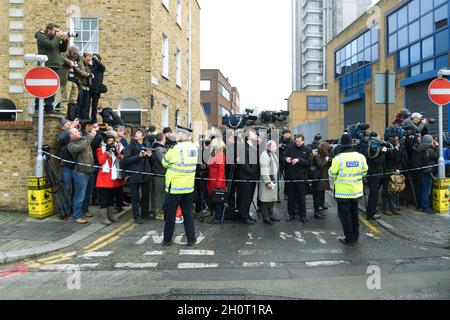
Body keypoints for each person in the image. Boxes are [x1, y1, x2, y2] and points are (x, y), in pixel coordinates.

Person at [329, 133, 368, 245]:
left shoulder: (338, 159)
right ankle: (356, 236)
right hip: (356, 191)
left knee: (345, 216)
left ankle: (349, 238)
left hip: (343, 193)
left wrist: (337, 176)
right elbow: (365, 171)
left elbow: (332, 173)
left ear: (341, 145)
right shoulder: (361, 157)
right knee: (354, 214)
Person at [162, 126, 198, 246]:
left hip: (175, 187)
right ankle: (191, 239)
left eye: (178, 133)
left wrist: (171, 149)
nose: (175, 135)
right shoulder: (194, 147)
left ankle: (167, 240)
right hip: (188, 187)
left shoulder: (176, 148)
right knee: (188, 214)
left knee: (170, 215)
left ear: (184, 135)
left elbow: (164, 162)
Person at [34, 23, 69, 114]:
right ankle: (38, 107)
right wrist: (57, 37)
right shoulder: (41, 36)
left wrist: (65, 41)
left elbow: (62, 49)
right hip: (46, 64)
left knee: (53, 87)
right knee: (42, 86)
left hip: (56, 65)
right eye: (55, 31)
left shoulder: (54, 39)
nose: (57, 33)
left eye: (58, 31)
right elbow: (51, 45)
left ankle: (49, 107)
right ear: (49, 30)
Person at [122, 128, 154, 224]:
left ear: (143, 136)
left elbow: (151, 161)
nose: (136, 134)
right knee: (135, 197)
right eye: (135, 133)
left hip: (145, 173)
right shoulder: (130, 146)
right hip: (135, 174)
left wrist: (150, 156)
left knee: (145, 195)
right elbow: (126, 160)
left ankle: (145, 213)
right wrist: (138, 157)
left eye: (138, 133)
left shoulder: (147, 145)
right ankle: (136, 216)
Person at [67, 127, 97, 224]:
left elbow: (89, 139)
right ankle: (76, 216)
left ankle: (85, 210)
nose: (78, 132)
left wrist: (94, 131)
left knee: (88, 194)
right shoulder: (71, 145)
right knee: (80, 195)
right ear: (71, 135)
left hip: (90, 171)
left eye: (78, 130)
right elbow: (82, 147)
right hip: (80, 173)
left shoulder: (84, 140)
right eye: (75, 132)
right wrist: (90, 136)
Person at [96, 134, 125, 225]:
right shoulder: (100, 150)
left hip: (113, 177)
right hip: (104, 177)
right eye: (109, 141)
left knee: (111, 197)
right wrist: (107, 152)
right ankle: (104, 218)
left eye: (112, 141)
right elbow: (101, 161)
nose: (111, 142)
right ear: (105, 142)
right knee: (104, 198)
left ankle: (111, 215)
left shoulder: (115, 149)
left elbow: (121, 158)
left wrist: (116, 153)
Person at [284, 134, 313, 224]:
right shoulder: (290, 147)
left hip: (301, 178)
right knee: (291, 197)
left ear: (303, 141)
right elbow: (283, 156)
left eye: (299, 141)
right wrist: (286, 159)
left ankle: (303, 215)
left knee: (301, 198)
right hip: (290, 177)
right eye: (296, 141)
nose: (297, 143)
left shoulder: (308, 149)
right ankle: (291, 214)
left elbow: (309, 162)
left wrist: (299, 160)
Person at [236, 129, 260, 225]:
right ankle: (244, 217)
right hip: (246, 177)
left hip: (253, 177)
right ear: (248, 136)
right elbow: (243, 163)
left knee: (249, 198)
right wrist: (252, 173)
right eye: (253, 133)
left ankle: (247, 214)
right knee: (245, 198)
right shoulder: (243, 147)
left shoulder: (253, 146)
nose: (255, 134)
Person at [410, 135, 439, 213]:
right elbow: (437, 156)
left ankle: (419, 205)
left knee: (420, 189)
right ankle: (425, 207)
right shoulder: (428, 149)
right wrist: (436, 147)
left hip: (418, 172)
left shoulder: (418, 148)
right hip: (427, 172)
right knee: (426, 190)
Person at [364, 133, 388, 221]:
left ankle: (371, 210)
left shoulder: (368, 150)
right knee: (374, 195)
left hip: (371, 175)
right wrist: (383, 153)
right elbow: (379, 162)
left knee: (373, 195)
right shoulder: (375, 152)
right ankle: (371, 213)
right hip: (375, 176)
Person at [259, 140, 280, 225]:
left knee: (271, 199)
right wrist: (268, 182)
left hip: (273, 179)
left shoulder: (272, 154)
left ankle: (270, 215)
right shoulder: (264, 155)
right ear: (269, 147)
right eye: (274, 146)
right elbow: (264, 170)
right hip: (267, 181)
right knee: (265, 200)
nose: (276, 147)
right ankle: (265, 217)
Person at [207, 138, 227, 224]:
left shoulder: (220, 154)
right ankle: (217, 216)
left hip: (217, 181)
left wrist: (218, 184)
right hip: (213, 180)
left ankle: (218, 218)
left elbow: (221, 170)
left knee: (219, 200)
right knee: (216, 200)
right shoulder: (214, 154)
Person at [382, 135, 403, 216]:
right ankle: (386, 208)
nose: (396, 140)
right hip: (387, 171)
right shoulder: (386, 145)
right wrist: (396, 149)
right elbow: (390, 155)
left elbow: (399, 159)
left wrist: (398, 168)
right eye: (394, 138)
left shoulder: (397, 147)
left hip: (394, 171)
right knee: (386, 190)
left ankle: (393, 207)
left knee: (394, 190)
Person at [312, 142, 332, 219]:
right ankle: (316, 212)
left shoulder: (324, 155)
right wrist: (327, 160)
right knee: (317, 196)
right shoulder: (317, 156)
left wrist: (329, 160)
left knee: (320, 194)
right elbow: (320, 165)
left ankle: (320, 207)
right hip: (319, 178)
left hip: (323, 177)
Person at [60, 45, 81, 119]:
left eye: (77, 54)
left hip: (75, 80)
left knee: (73, 100)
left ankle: (71, 116)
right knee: (65, 98)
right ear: (70, 51)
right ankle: (63, 116)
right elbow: (60, 58)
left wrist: (78, 69)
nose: (75, 55)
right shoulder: (64, 54)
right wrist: (69, 62)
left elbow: (80, 67)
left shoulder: (77, 58)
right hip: (67, 79)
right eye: (74, 53)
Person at [151, 133, 168, 221]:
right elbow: (163, 161)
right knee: (160, 194)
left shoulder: (158, 148)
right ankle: (159, 213)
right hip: (160, 174)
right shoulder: (159, 149)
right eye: (165, 138)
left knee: (160, 194)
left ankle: (159, 211)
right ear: (162, 139)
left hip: (160, 173)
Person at [78, 52, 95, 121]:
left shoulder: (88, 66)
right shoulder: (80, 63)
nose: (89, 61)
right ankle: (80, 117)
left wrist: (90, 74)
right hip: (81, 85)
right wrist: (89, 75)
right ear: (83, 57)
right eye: (88, 60)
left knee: (86, 104)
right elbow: (81, 72)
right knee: (80, 103)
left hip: (87, 86)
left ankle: (84, 118)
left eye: (90, 60)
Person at [89, 54, 106, 122]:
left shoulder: (101, 68)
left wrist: (93, 57)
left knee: (94, 106)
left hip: (96, 89)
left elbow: (99, 64)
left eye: (95, 58)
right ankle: (87, 118)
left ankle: (94, 119)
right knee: (87, 105)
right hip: (89, 88)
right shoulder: (90, 67)